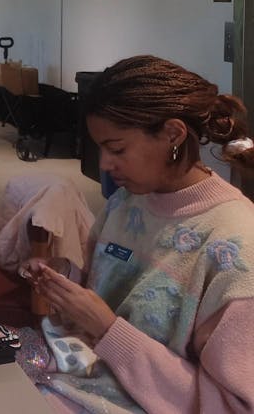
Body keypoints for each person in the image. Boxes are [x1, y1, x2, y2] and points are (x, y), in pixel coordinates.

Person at [18, 55, 254, 414]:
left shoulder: (237, 249)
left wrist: (108, 331)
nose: (104, 164)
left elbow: (230, 406)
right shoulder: (126, 202)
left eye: (117, 149)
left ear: (173, 134)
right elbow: (113, 296)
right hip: (73, 379)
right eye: (100, 148)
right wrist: (66, 280)